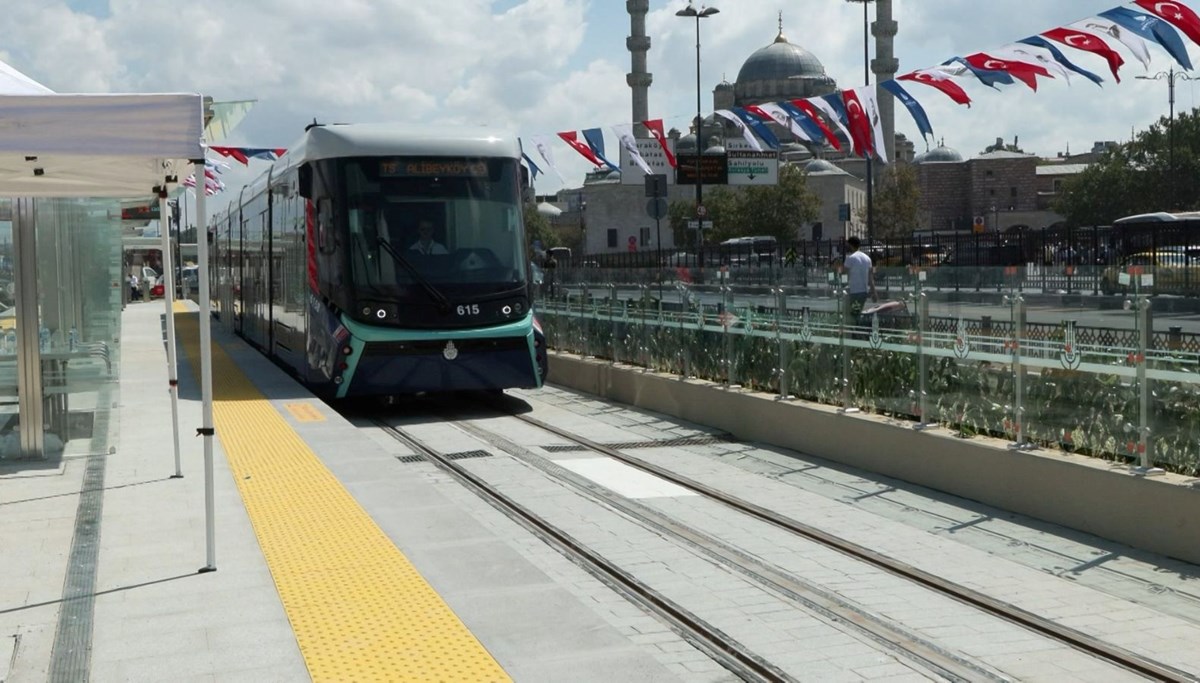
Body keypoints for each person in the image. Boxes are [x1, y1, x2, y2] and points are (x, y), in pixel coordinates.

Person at [843, 236, 876, 319]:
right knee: (857, 311)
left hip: (854, 290)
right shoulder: (867, 258)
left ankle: (856, 330)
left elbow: (844, 274)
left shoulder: (850, 258)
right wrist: (873, 292)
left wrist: (843, 285)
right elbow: (870, 277)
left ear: (851, 245)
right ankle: (858, 328)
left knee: (853, 314)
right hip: (864, 291)